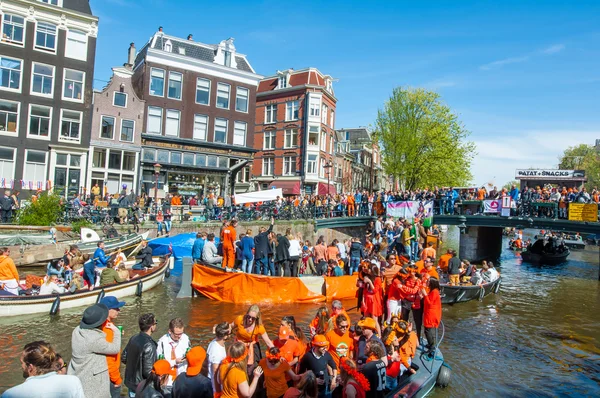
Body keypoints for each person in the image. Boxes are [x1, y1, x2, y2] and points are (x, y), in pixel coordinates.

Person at [68, 303, 122, 398]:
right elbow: (115, 348)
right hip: (93, 385)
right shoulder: (94, 339)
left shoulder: (76, 330)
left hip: (78, 375)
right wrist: (116, 331)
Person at [1, 341, 85, 398]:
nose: (21, 367)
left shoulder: (10, 394)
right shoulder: (73, 382)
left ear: (30, 367)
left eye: (22, 363)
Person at [122, 313, 158, 397]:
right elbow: (148, 372)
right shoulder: (149, 345)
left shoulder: (134, 338)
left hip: (131, 383)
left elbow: (124, 357)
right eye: (155, 323)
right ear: (152, 326)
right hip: (142, 387)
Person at [99, 296, 126, 398]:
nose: (118, 310)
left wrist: (117, 335)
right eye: (116, 308)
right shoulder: (108, 330)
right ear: (107, 310)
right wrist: (117, 379)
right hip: (110, 377)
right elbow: (109, 359)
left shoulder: (103, 325)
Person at [156, 318, 191, 388]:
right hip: (168, 382)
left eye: (181, 333)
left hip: (183, 379)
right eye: (177, 334)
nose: (179, 336)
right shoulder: (162, 343)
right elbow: (160, 364)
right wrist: (175, 361)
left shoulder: (185, 339)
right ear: (170, 331)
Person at [207, 322, 230, 391]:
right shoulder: (217, 352)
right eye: (229, 333)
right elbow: (215, 372)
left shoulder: (215, 341)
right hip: (215, 387)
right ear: (225, 336)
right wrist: (218, 391)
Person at [421, 278, 442, 352]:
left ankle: (432, 346)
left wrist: (425, 295)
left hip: (431, 313)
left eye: (428, 281)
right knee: (428, 330)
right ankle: (431, 344)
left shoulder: (434, 292)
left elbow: (429, 303)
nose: (426, 282)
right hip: (430, 312)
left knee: (427, 330)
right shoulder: (433, 291)